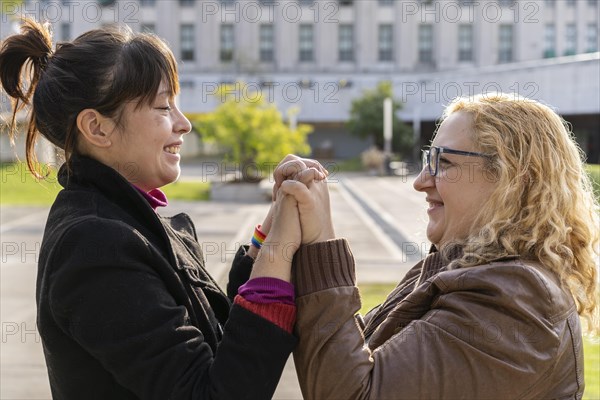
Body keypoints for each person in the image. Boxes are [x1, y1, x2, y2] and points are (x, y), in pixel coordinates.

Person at [0, 19, 327, 399]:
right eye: (162, 107)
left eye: (177, 105)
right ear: (97, 128)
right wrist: (281, 245)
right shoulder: (94, 245)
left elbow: (219, 341)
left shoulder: (126, 220)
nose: (184, 124)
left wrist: (271, 229)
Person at [255, 93, 599, 399]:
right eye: (427, 160)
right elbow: (353, 354)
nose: (421, 182)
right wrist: (283, 242)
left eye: (444, 163)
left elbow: (354, 391)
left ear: (512, 180)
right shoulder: (460, 268)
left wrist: (321, 244)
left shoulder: (516, 300)